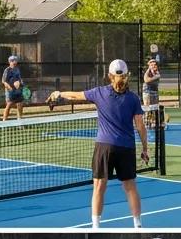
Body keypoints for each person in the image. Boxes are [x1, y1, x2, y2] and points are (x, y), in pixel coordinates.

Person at [47, 59, 149, 229]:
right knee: (130, 187)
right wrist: (145, 149)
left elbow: (75, 95)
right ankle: (138, 225)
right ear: (126, 75)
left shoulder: (99, 93)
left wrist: (58, 93)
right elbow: (140, 126)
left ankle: (95, 227)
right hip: (126, 148)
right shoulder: (133, 99)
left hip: (104, 146)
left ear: (109, 76)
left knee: (99, 187)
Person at [1, 54, 25, 122]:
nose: (14, 62)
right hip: (10, 91)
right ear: (10, 62)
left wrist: (21, 83)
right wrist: (10, 88)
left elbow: (19, 79)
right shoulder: (7, 70)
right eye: (12, 61)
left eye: (15, 61)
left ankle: (19, 121)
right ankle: (4, 122)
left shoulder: (17, 69)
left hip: (18, 90)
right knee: (9, 105)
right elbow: (3, 81)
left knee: (20, 104)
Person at [142, 56, 161, 137]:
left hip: (155, 92)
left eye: (154, 64)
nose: (153, 65)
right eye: (151, 64)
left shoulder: (158, 74)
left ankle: (153, 123)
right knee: (147, 108)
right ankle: (146, 124)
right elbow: (146, 80)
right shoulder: (147, 72)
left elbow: (148, 80)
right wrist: (149, 69)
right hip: (147, 92)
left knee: (154, 108)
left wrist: (151, 70)